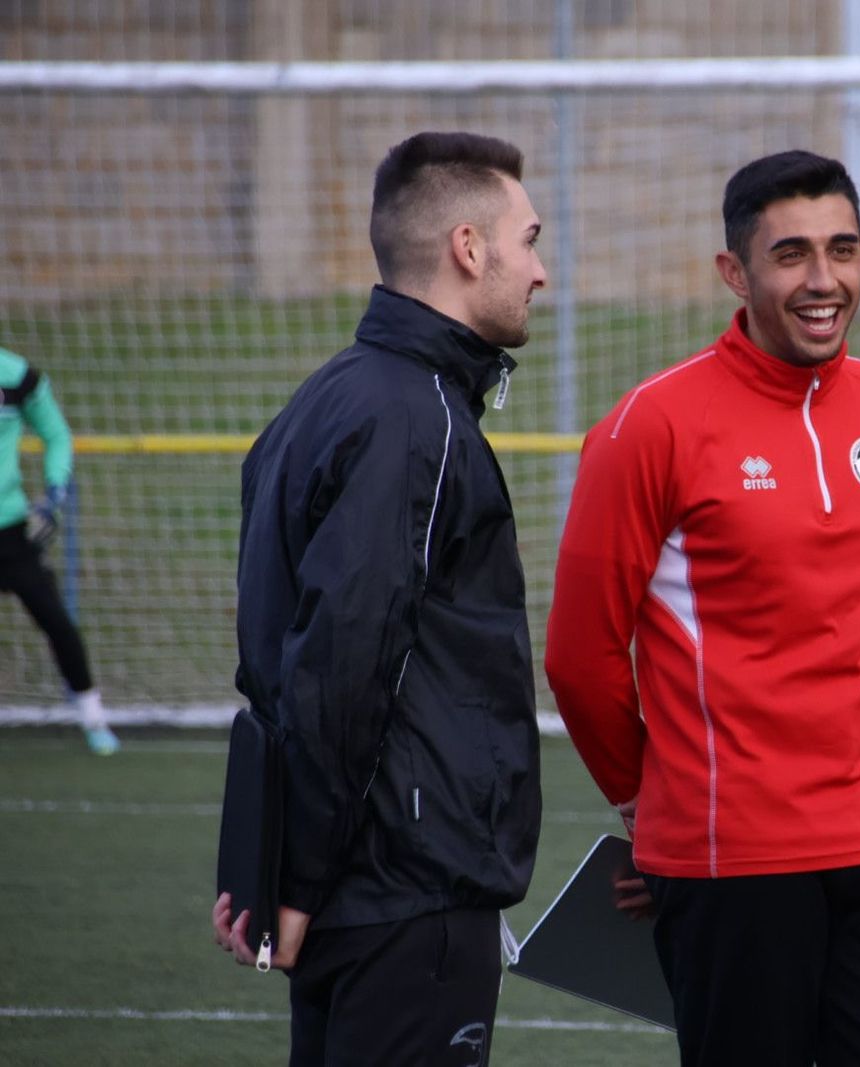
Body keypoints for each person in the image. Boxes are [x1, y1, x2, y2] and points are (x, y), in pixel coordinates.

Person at [545, 150, 860, 1067]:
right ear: (736, 271)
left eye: (842, 250)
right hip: (731, 858)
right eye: (791, 254)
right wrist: (649, 798)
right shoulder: (653, 425)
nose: (823, 281)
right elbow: (579, 652)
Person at [211, 131, 545, 1066]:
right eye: (529, 239)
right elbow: (342, 660)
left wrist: (275, 865)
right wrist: (302, 882)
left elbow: (279, 662)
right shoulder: (415, 417)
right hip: (404, 895)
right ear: (468, 248)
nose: (542, 270)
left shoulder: (325, 399)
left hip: (358, 887)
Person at [0, 347, 118, 756]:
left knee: (57, 623)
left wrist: (54, 492)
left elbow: (55, 434)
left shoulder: (16, 375)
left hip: (12, 534)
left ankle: (93, 717)